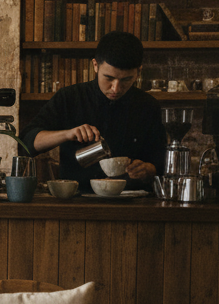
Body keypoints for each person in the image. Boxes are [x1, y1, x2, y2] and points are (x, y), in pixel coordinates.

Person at [20, 30, 168, 191]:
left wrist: (148, 170)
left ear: (138, 72)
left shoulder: (148, 105)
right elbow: (26, 143)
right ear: (95, 65)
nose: (116, 88)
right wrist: (67, 134)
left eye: (126, 79)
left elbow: (161, 162)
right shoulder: (70, 97)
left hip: (132, 203)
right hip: (77, 201)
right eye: (109, 78)